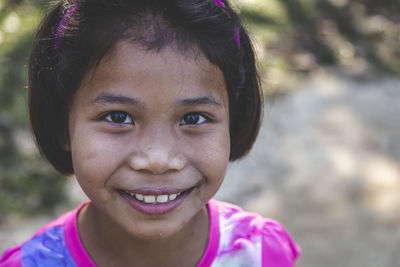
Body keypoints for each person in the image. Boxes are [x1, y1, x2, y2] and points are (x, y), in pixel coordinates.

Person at [0, 0, 300, 266]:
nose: (158, 160)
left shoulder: (260, 255)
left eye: (193, 118)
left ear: (231, 123)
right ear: (62, 125)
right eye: (118, 117)